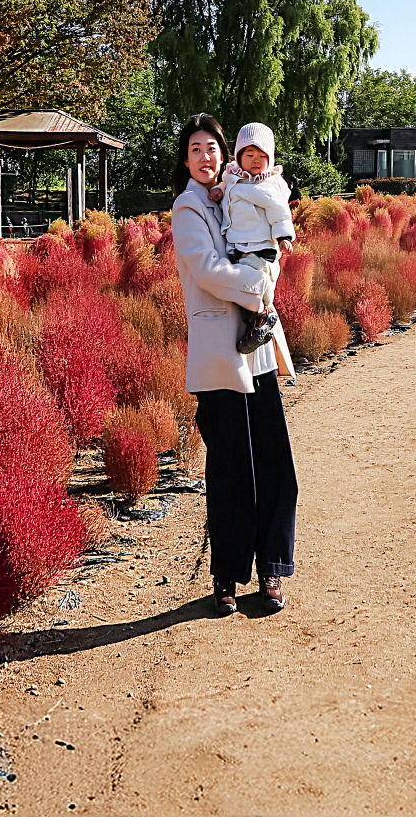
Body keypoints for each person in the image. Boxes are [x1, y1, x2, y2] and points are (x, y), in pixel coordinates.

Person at [170, 114, 297, 616]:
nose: (206, 157)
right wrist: (259, 284)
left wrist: (272, 257)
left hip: (256, 348)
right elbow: (207, 270)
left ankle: (272, 570)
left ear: (225, 154)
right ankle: (226, 574)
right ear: (185, 160)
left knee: (274, 463)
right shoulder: (187, 208)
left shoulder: (235, 192)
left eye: (212, 148)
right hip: (220, 354)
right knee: (229, 470)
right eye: (195, 149)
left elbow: (270, 237)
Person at [209, 123, 297, 356]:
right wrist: (219, 190)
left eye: (262, 156)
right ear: (239, 157)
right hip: (239, 243)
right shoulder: (232, 176)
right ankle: (257, 324)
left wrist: (284, 236)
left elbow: (279, 211)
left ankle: (263, 317)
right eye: (249, 155)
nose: (256, 160)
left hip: (260, 244)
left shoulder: (269, 185)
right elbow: (226, 187)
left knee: (249, 282)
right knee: (244, 284)